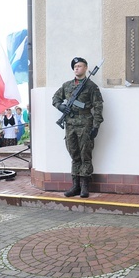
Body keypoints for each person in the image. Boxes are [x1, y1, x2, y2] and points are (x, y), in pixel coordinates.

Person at [52, 56, 104, 198]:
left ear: (86, 68)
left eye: (80, 66)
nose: (77, 68)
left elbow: (98, 106)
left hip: (85, 124)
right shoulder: (67, 85)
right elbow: (55, 98)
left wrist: (96, 126)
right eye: (75, 67)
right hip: (70, 125)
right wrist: (61, 106)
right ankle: (75, 186)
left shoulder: (91, 86)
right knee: (74, 155)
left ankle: (84, 187)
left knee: (85, 155)